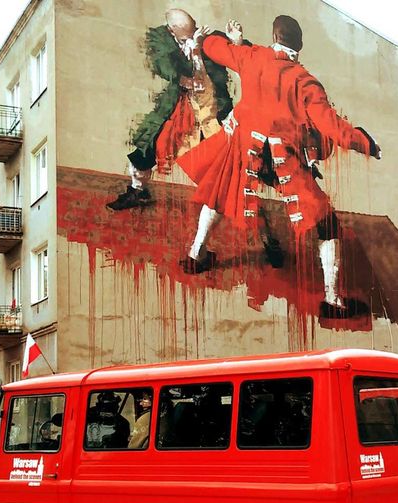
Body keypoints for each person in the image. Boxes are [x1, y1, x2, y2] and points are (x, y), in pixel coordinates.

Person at [176, 15, 381, 319]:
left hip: (246, 149)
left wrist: (205, 39)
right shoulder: (305, 81)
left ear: (274, 37)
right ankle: (332, 300)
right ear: (300, 45)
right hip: (282, 158)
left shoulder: (253, 56)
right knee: (326, 223)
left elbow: (217, 49)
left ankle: (196, 255)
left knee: (219, 193)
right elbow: (331, 126)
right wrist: (366, 143)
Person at [106, 9, 234, 211]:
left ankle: (237, 205)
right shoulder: (160, 39)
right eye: (185, 37)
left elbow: (236, 53)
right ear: (171, 30)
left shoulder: (211, 38)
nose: (191, 38)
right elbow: (163, 66)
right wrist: (185, 80)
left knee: (224, 161)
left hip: (211, 110)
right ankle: (138, 191)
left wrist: (235, 40)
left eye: (193, 31)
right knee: (148, 148)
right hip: (179, 109)